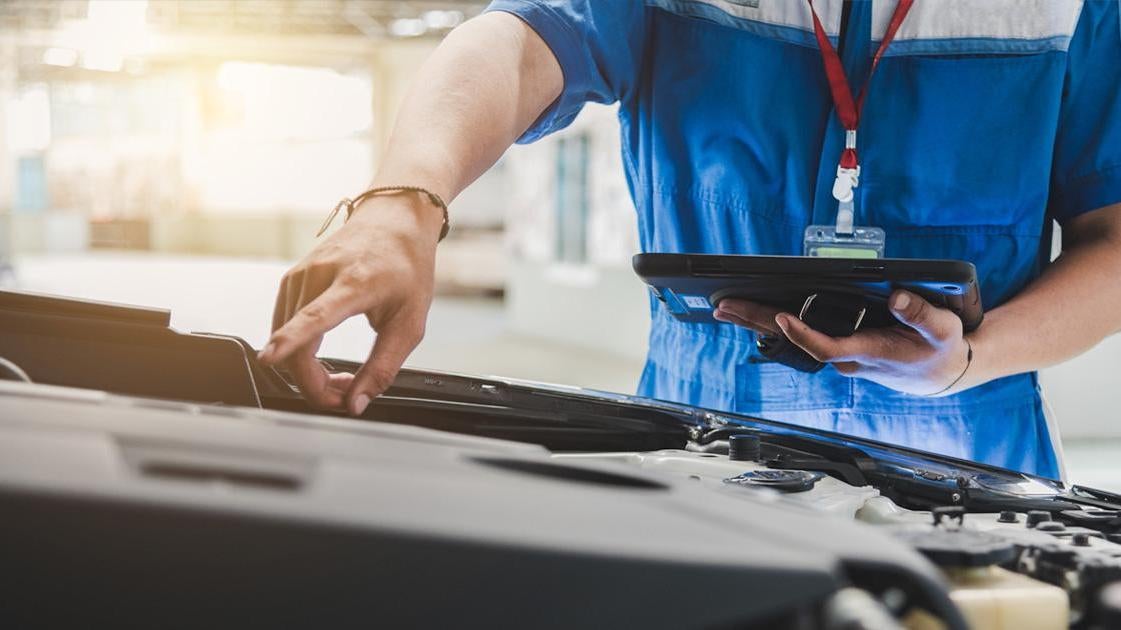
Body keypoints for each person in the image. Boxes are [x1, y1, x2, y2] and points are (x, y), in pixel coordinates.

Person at [258, 0, 1121, 479]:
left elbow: (1112, 236)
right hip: (697, 424)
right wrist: (403, 201)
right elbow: (516, 43)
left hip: (968, 436)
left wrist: (971, 358)